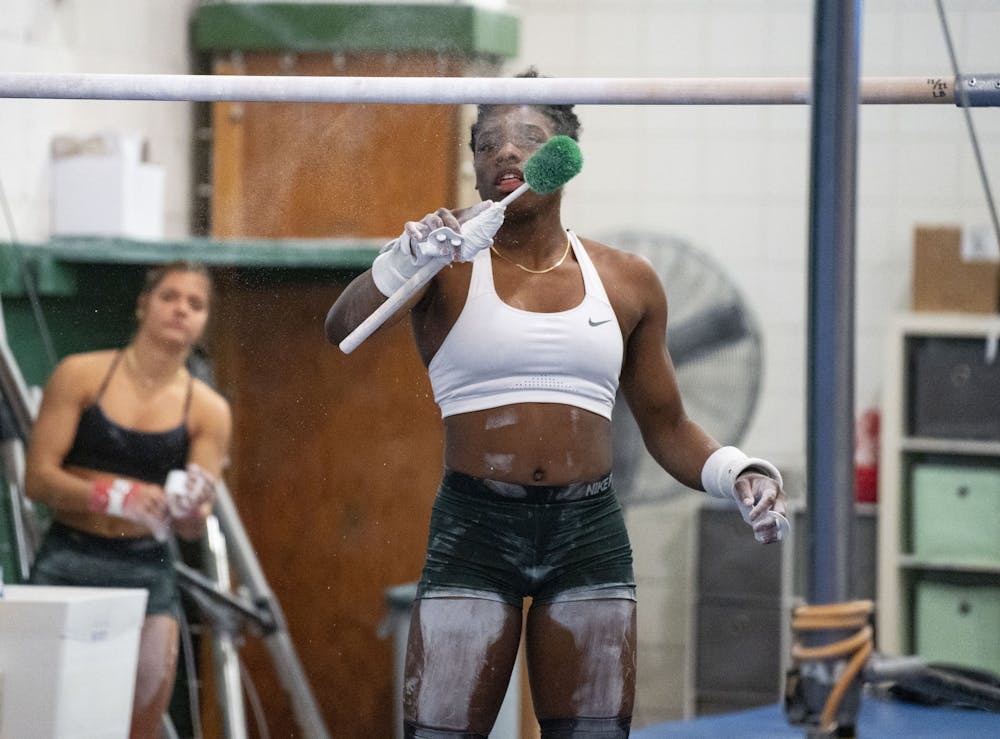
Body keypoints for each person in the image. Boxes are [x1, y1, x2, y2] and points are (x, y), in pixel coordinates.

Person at [325, 69, 787, 739]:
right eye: (488, 143)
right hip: (474, 531)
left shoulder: (627, 280)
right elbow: (341, 329)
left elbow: (669, 426)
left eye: (528, 138)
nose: (506, 152)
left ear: (564, 153)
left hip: (588, 534)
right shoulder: (442, 269)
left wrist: (737, 472)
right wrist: (402, 259)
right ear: (476, 170)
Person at [24, 261, 232, 739]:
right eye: (170, 297)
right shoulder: (80, 375)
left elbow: (193, 521)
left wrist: (188, 511)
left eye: (195, 304)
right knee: (42, 717)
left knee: (138, 716)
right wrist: (116, 495)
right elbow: (37, 480)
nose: (181, 309)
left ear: (203, 322)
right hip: (69, 554)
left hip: (145, 566)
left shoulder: (208, 410)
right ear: (143, 305)